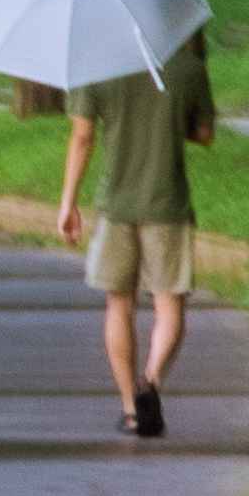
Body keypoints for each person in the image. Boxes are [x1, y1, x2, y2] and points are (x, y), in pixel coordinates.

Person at [49, 28, 199, 438]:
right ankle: (151, 381)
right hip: (168, 204)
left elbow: (82, 136)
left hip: (115, 207)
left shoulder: (95, 68)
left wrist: (68, 201)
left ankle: (132, 410)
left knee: (119, 305)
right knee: (170, 305)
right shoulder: (187, 66)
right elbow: (203, 134)